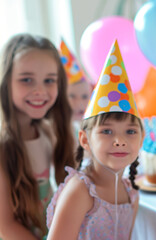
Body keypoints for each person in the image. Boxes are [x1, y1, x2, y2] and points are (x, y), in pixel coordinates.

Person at [46, 40, 144, 240]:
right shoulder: (80, 192)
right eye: (107, 131)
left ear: (142, 139)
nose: (119, 140)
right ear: (84, 139)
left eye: (130, 132)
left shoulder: (131, 194)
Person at [0, 34, 76, 239]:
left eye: (49, 80)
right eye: (26, 80)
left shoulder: (48, 132)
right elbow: (5, 226)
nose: (40, 91)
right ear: (6, 82)